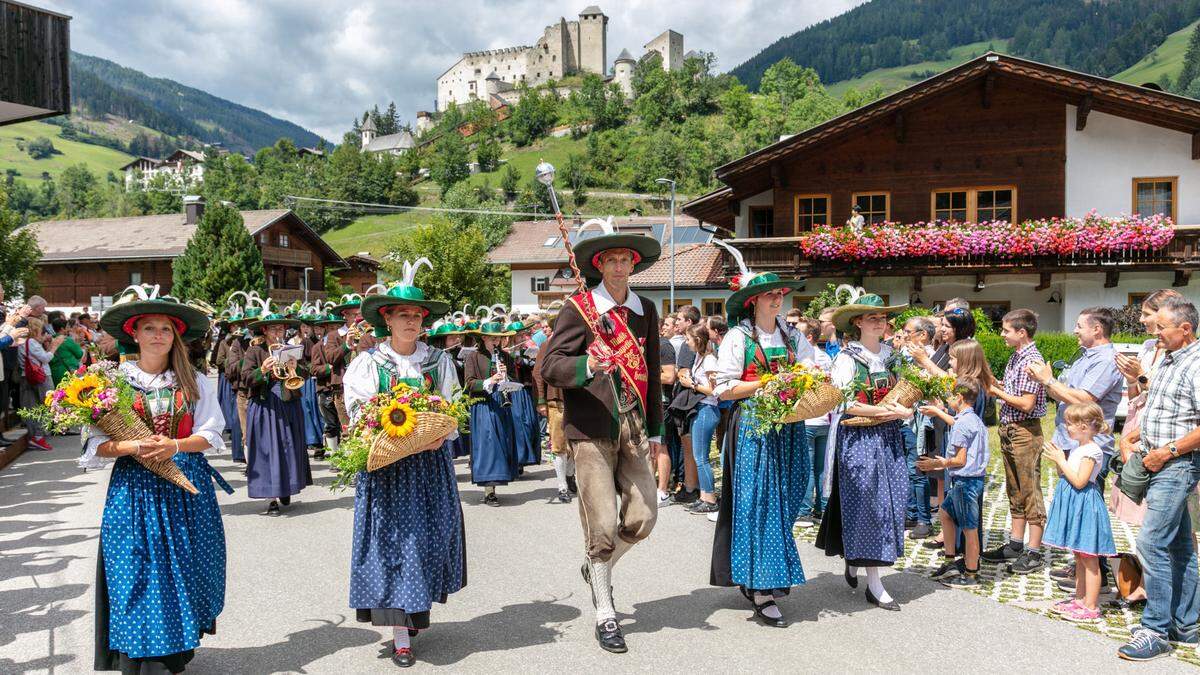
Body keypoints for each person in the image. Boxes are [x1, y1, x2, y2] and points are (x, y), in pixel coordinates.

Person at [86, 288, 231, 673]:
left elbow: (212, 434)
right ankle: (141, 655)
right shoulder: (113, 383)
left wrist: (176, 445)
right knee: (135, 569)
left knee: (181, 568)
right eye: (149, 328)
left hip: (184, 483)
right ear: (134, 334)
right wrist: (133, 445)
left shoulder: (194, 379)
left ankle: (173, 651)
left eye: (165, 329)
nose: (157, 335)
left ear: (175, 336)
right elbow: (96, 446)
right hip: (133, 489)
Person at [540, 219, 664, 654]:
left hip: (632, 425)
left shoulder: (645, 310)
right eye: (610, 259)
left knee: (645, 516)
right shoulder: (579, 308)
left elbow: (650, 373)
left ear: (633, 265)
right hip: (590, 429)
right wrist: (588, 367)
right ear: (598, 265)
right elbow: (549, 366)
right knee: (603, 524)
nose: (618, 266)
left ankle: (597, 567)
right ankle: (605, 611)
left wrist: (657, 430)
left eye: (624, 259)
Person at [342, 271, 464, 669]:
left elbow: (451, 411)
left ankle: (413, 616)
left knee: (428, 540)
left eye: (417, 315)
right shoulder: (368, 363)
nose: (411, 322)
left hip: (429, 465)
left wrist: (438, 436)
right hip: (388, 469)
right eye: (402, 315)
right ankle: (400, 637)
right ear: (387, 320)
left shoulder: (438, 361)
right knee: (394, 543)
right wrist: (390, 439)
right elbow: (361, 414)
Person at [709, 264, 815, 628]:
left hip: (789, 425)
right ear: (753, 301)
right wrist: (766, 384)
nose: (778, 299)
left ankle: (767, 569)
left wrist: (804, 379)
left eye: (780, 294)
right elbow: (724, 389)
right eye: (771, 294)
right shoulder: (738, 338)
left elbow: (809, 369)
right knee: (759, 502)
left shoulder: (791, 335)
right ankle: (761, 588)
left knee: (788, 496)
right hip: (754, 424)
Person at [815, 290, 911, 611]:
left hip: (888, 435)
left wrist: (903, 410)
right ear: (857, 323)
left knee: (891, 500)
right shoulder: (846, 358)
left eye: (882, 317)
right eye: (872, 317)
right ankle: (874, 582)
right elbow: (842, 402)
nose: (879, 322)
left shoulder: (892, 356)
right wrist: (882, 412)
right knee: (869, 503)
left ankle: (856, 557)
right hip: (858, 437)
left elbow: (903, 391)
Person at [1117, 295, 1200, 661]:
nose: (1156, 332)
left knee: (1151, 544)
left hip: (1177, 464)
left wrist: (1167, 451)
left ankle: (1156, 629)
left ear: (1185, 329)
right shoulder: (1168, 358)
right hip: (1158, 460)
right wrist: (1138, 436)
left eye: (1163, 327)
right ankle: (1187, 624)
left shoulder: (1197, 364)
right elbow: (1164, 404)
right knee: (1180, 546)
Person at [1026, 306, 1123, 587]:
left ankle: (1097, 573)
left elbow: (1083, 398)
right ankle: (1079, 568)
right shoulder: (1085, 356)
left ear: (1097, 329)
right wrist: (1046, 382)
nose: (1075, 330)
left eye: (1080, 325)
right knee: (1073, 506)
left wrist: (1047, 380)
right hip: (1071, 441)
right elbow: (1063, 392)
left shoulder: (1105, 360)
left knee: (1087, 510)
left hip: (1091, 445)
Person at [981, 309, 1048, 575]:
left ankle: (1034, 551)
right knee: (1015, 489)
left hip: (1024, 431)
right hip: (1011, 431)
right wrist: (997, 383)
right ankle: (1016, 544)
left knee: (1030, 490)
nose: (1002, 334)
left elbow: (1027, 403)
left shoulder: (1032, 360)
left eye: (1006, 330)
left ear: (1022, 333)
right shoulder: (1017, 358)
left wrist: (995, 391)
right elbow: (1015, 393)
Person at [1113, 289, 1183, 528]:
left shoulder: (1182, 353)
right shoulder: (1148, 346)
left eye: (1146, 314)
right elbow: (1136, 394)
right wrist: (1132, 380)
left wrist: (1140, 375)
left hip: (1163, 430)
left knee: (1168, 513)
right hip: (1137, 421)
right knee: (1138, 503)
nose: (1141, 319)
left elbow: (1171, 398)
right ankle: (1142, 559)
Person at [1042, 402, 1117, 623]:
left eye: (1070, 423)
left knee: (1089, 557)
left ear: (1084, 426)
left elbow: (1079, 481)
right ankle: (1080, 598)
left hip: (1084, 505)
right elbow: (1066, 473)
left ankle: (1091, 606)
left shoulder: (1092, 451)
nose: (1067, 427)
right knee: (1079, 554)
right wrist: (1059, 460)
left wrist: (1060, 460)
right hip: (1075, 504)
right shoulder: (1079, 447)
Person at [241, 307, 312, 515]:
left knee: (289, 447)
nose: (278, 332)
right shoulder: (254, 351)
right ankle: (271, 498)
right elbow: (246, 379)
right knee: (268, 449)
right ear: (264, 330)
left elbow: (305, 373)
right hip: (265, 406)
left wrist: (295, 367)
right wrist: (262, 370)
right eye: (273, 328)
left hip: (289, 404)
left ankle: (287, 486)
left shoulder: (291, 348)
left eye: (280, 328)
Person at [918, 379, 988, 588]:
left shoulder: (962, 426)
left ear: (959, 398)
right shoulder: (973, 419)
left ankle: (971, 573)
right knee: (946, 513)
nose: (947, 401)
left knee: (969, 528)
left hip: (965, 481)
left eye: (949, 397)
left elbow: (960, 460)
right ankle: (950, 561)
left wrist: (939, 463)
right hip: (971, 480)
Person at [463, 320, 518, 506]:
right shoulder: (473, 357)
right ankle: (489, 491)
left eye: (499, 338)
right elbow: (469, 383)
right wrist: (491, 379)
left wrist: (506, 377)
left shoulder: (505, 357)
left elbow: (514, 380)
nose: (497, 342)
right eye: (494, 338)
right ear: (484, 338)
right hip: (483, 405)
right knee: (488, 446)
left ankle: (499, 480)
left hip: (501, 404)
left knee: (501, 443)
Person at [898, 315, 938, 539]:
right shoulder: (904, 357)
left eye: (908, 332)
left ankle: (924, 519)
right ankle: (911, 513)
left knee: (918, 470)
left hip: (921, 422)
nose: (904, 336)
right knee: (906, 470)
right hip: (904, 420)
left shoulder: (930, 358)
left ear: (923, 335)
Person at [534, 304, 576, 504]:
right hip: (556, 401)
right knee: (559, 445)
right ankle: (562, 486)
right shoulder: (548, 345)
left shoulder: (577, 343)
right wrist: (541, 400)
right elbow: (538, 373)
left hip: (577, 401)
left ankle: (570, 476)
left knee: (576, 444)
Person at [794, 318, 832, 527]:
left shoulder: (804, 358)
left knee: (807, 467)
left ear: (809, 337)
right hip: (824, 417)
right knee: (821, 467)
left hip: (808, 417)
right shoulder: (826, 357)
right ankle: (823, 507)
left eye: (799, 333)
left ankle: (804, 510)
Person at [679, 324, 719, 514]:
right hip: (701, 408)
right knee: (699, 456)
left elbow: (714, 390)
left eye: (688, 339)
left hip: (707, 408)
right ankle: (704, 496)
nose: (686, 343)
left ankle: (710, 498)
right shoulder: (700, 357)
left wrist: (692, 384)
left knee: (701, 457)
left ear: (697, 340)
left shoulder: (710, 360)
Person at [19, 316, 54, 451]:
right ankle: (39, 436)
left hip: (26, 376)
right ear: (35, 329)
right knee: (46, 405)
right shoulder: (32, 342)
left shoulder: (22, 342)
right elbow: (45, 358)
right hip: (41, 376)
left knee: (31, 407)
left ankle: (35, 436)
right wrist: (53, 347)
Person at [48, 316, 83, 385]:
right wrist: (77, 343)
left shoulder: (50, 340)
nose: (69, 329)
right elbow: (79, 354)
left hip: (54, 371)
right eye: (67, 327)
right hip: (68, 371)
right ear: (62, 329)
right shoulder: (67, 340)